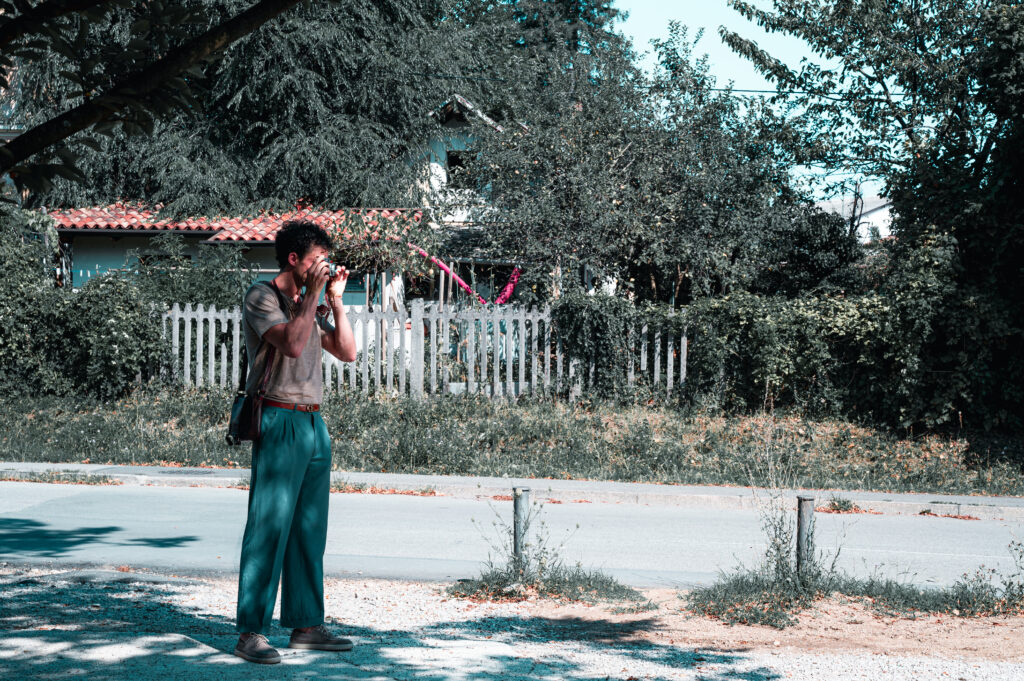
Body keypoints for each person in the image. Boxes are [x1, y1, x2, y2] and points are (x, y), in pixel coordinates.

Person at [233, 220, 357, 664]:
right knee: (269, 526)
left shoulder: (313, 301)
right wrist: (312, 297)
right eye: (317, 260)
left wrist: (335, 302)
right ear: (293, 260)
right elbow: (291, 344)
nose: (324, 267)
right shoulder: (262, 297)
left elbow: (347, 352)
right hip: (278, 415)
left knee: (309, 530)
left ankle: (306, 625)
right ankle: (251, 632)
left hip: (313, 422)